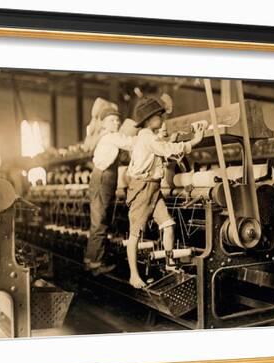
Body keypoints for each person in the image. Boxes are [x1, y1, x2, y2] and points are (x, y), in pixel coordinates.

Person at [125, 97, 205, 288]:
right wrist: (194, 142)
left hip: (153, 188)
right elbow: (167, 149)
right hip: (143, 188)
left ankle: (169, 263)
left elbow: (163, 145)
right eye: (159, 115)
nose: (161, 118)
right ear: (149, 119)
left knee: (168, 224)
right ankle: (133, 275)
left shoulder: (149, 137)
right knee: (135, 234)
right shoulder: (147, 137)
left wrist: (173, 139)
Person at [84, 106, 135, 275]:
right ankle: (96, 264)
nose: (117, 122)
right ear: (104, 124)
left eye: (117, 120)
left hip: (103, 178)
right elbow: (130, 143)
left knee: (99, 220)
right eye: (112, 120)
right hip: (103, 179)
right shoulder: (111, 137)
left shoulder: (105, 137)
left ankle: (90, 259)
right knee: (100, 221)